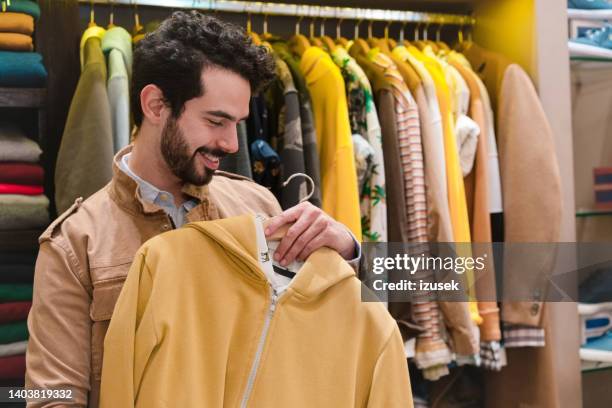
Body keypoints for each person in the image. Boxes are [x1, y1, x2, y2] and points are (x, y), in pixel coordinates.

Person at [25, 11, 360, 407]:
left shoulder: (259, 207)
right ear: (155, 105)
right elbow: (52, 397)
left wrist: (348, 249)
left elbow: (352, 316)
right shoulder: (75, 246)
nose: (233, 144)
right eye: (216, 121)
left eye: (237, 123)